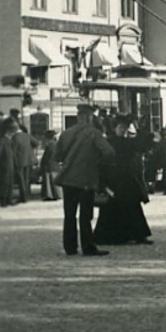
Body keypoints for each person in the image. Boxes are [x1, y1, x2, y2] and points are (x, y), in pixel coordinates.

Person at [54, 103, 115, 257]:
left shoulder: (66, 133)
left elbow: (58, 156)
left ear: (77, 117)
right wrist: (98, 163)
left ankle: (70, 247)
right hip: (86, 180)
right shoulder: (94, 133)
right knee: (85, 215)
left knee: (69, 215)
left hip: (68, 180)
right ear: (89, 117)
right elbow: (109, 152)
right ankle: (88, 247)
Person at [94, 116, 153, 246]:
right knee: (111, 209)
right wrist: (102, 182)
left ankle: (138, 235)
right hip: (113, 180)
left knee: (133, 208)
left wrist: (139, 127)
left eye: (125, 128)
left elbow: (144, 145)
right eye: (120, 127)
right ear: (114, 128)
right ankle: (111, 237)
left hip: (127, 180)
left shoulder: (128, 142)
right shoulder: (108, 142)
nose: (123, 130)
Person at [9, 110, 33, 204]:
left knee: (21, 180)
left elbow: (13, 152)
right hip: (28, 160)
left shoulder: (15, 137)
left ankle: (23, 198)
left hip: (19, 161)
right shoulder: (27, 136)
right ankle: (26, 196)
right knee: (26, 179)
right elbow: (36, 143)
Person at [0, 117, 18, 207]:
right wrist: (1, 163)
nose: (12, 133)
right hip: (5, 165)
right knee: (5, 183)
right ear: (8, 132)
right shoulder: (3, 140)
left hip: (10, 165)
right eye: (11, 132)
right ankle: (3, 201)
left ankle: (9, 199)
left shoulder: (9, 140)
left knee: (10, 183)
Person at [39, 130, 59, 200]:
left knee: (48, 182)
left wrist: (42, 164)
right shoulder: (55, 144)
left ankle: (50, 196)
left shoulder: (50, 145)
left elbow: (46, 157)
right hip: (54, 165)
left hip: (49, 166)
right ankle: (54, 195)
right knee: (52, 182)